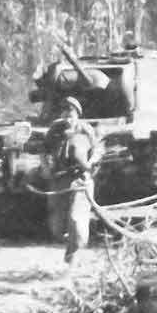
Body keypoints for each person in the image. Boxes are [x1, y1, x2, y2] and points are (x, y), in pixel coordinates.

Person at [44, 97, 102, 265]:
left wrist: (91, 163)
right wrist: (46, 166)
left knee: (76, 219)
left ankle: (73, 258)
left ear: (77, 114)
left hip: (80, 180)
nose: (68, 116)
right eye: (64, 112)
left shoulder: (86, 130)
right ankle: (71, 246)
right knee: (56, 226)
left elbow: (98, 149)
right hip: (59, 181)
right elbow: (44, 150)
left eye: (71, 113)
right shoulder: (55, 129)